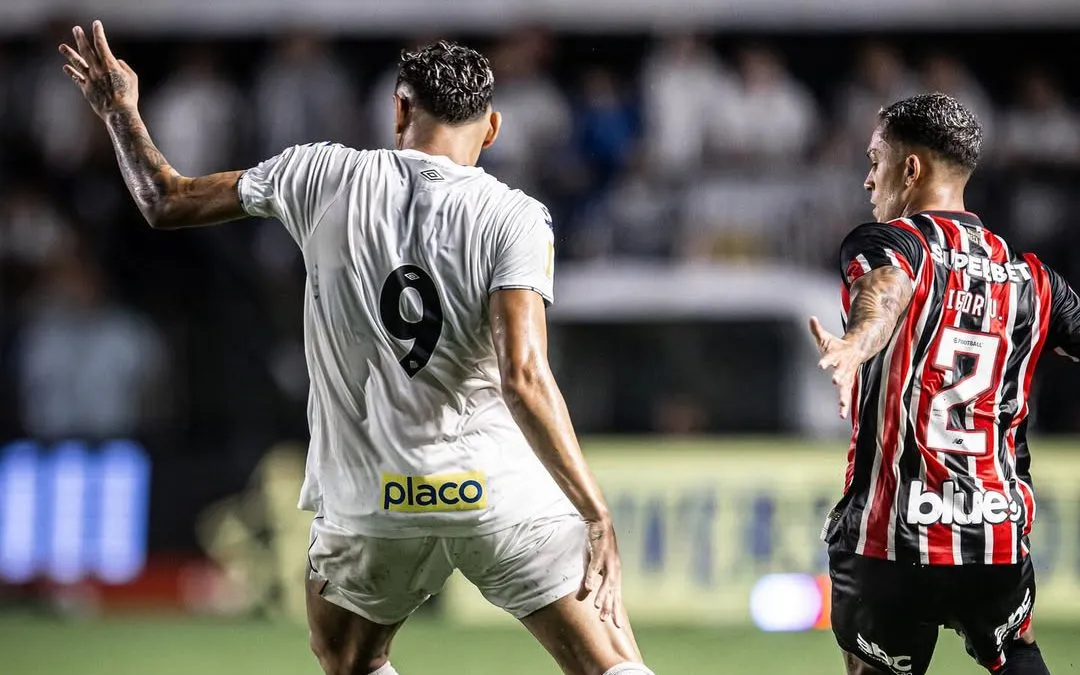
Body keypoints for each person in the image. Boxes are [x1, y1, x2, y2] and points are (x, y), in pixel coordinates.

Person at [59, 22, 654, 675]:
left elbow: (165, 201)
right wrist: (594, 511)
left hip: (374, 501)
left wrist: (120, 112)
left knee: (349, 657)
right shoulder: (513, 215)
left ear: (399, 109)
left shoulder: (317, 174)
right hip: (494, 492)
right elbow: (524, 376)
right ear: (491, 129)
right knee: (609, 659)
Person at [809, 92, 1075, 675]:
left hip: (893, 540)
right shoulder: (1034, 280)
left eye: (874, 160)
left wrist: (856, 342)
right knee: (1019, 653)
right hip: (994, 536)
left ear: (910, 169)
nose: (866, 179)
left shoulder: (892, 242)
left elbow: (887, 287)